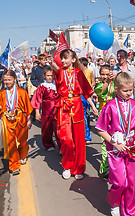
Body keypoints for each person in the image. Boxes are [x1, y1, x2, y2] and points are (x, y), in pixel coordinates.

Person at [96, 72, 135, 216]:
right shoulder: (110, 106)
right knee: (120, 181)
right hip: (115, 147)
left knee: (131, 180)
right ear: (116, 88)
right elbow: (100, 130)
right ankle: (114, 202)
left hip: (131, 146)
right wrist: (114, 143)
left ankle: (132, 208)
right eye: (125, 91)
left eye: (130, 90)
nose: (129, 93)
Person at [48, 49, 98, 180]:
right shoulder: (61, 72)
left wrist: (92, 105)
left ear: (73, 60)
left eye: (65, 58)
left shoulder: (79, 73)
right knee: (66, 139)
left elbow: (86, 92)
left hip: (77, 107)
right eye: (62, 59)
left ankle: (78, 168)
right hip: (64, 107)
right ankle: (67, 166)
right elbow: (56, 69)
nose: (63, 61)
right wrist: (51, 63)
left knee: (79, 140)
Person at [0, 70, 33, 175]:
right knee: (10, 144)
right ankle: (14, 165)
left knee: (23, 141)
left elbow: (27, 107)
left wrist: (29, 120)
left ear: (14, 79)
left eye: (9, 79)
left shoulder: (22, 92)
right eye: (5, 80)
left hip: (20, 119)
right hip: (7, 121)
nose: (7, 82)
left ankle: (22, 155)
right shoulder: (1, 93)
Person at [31, 66, 60, 151]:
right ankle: (48, 144)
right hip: (47, 109)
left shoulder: (57, 85)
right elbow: (37, 99)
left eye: (51, 75)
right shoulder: (42, 86)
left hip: (57, 109)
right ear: (44, 76)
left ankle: (61, 147)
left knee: (59, 128)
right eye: (48, 75)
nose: (50, 77)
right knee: (47, 128)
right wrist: (37, 112)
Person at [94, 64, 116, 177]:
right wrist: (108, 81)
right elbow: (100, 91)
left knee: (116, 140)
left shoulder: (115, 84)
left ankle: (115, 166)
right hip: (104, 115)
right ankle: (105, 168)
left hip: (116, 115)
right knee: (105, 142)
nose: (105, 76)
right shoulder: (98, 85)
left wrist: (115, 79)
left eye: (107, 74)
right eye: (103, 74)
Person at [79, 57, 95, 144]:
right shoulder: (77, 72)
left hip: (86, 95)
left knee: (86, 114)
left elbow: (93, 82)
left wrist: (89, 87)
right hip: (79, 95)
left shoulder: (89, 72)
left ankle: (87, 136)